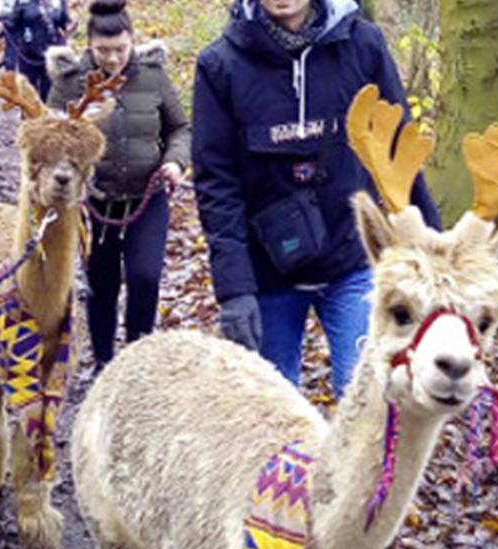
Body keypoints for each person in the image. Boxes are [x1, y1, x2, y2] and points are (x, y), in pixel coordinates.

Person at [192, 0, 441, 393]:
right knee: (273, 408)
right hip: (268, 271)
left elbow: (400, 150)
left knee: (366, 393)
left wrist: (432, 249)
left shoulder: (363, 45)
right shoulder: (220, 64)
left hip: (351, 260)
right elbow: (216, 183)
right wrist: (234, 289)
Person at [44, 0, 189, 370]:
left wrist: (175, 160)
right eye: (103, 51)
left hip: (147, 195)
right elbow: (50, 134)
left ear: (132, 41)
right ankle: (105, 361)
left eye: (120, 50)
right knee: (101, 283)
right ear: (89, 45)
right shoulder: (71, 80)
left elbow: (180, 127)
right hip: (96, 201)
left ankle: (139, 358)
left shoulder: (153, 76)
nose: (112, 59)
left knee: (144, 276)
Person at [1, 0, 71, 100]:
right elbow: (11, 25)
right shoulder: (23, 2)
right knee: (28, 96)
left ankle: (48, 115)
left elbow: (64, 22)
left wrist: (69, 28)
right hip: (29, 56)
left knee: (50, 96)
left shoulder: (60, 2)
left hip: (51, 56)